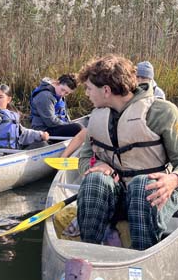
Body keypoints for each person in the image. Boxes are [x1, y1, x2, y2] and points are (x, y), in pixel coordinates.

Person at [76, 54, 178, 251]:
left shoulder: (162, 112)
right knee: (94, 180)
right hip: (117, 195)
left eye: (89, 89)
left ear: (106, 90)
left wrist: (173, 179)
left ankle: (143, 257)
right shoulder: (97, 118)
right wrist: (97, 166)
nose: (87, 94)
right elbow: (85, 158)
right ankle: (90, 254)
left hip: (155, 196)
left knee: (142, 185)